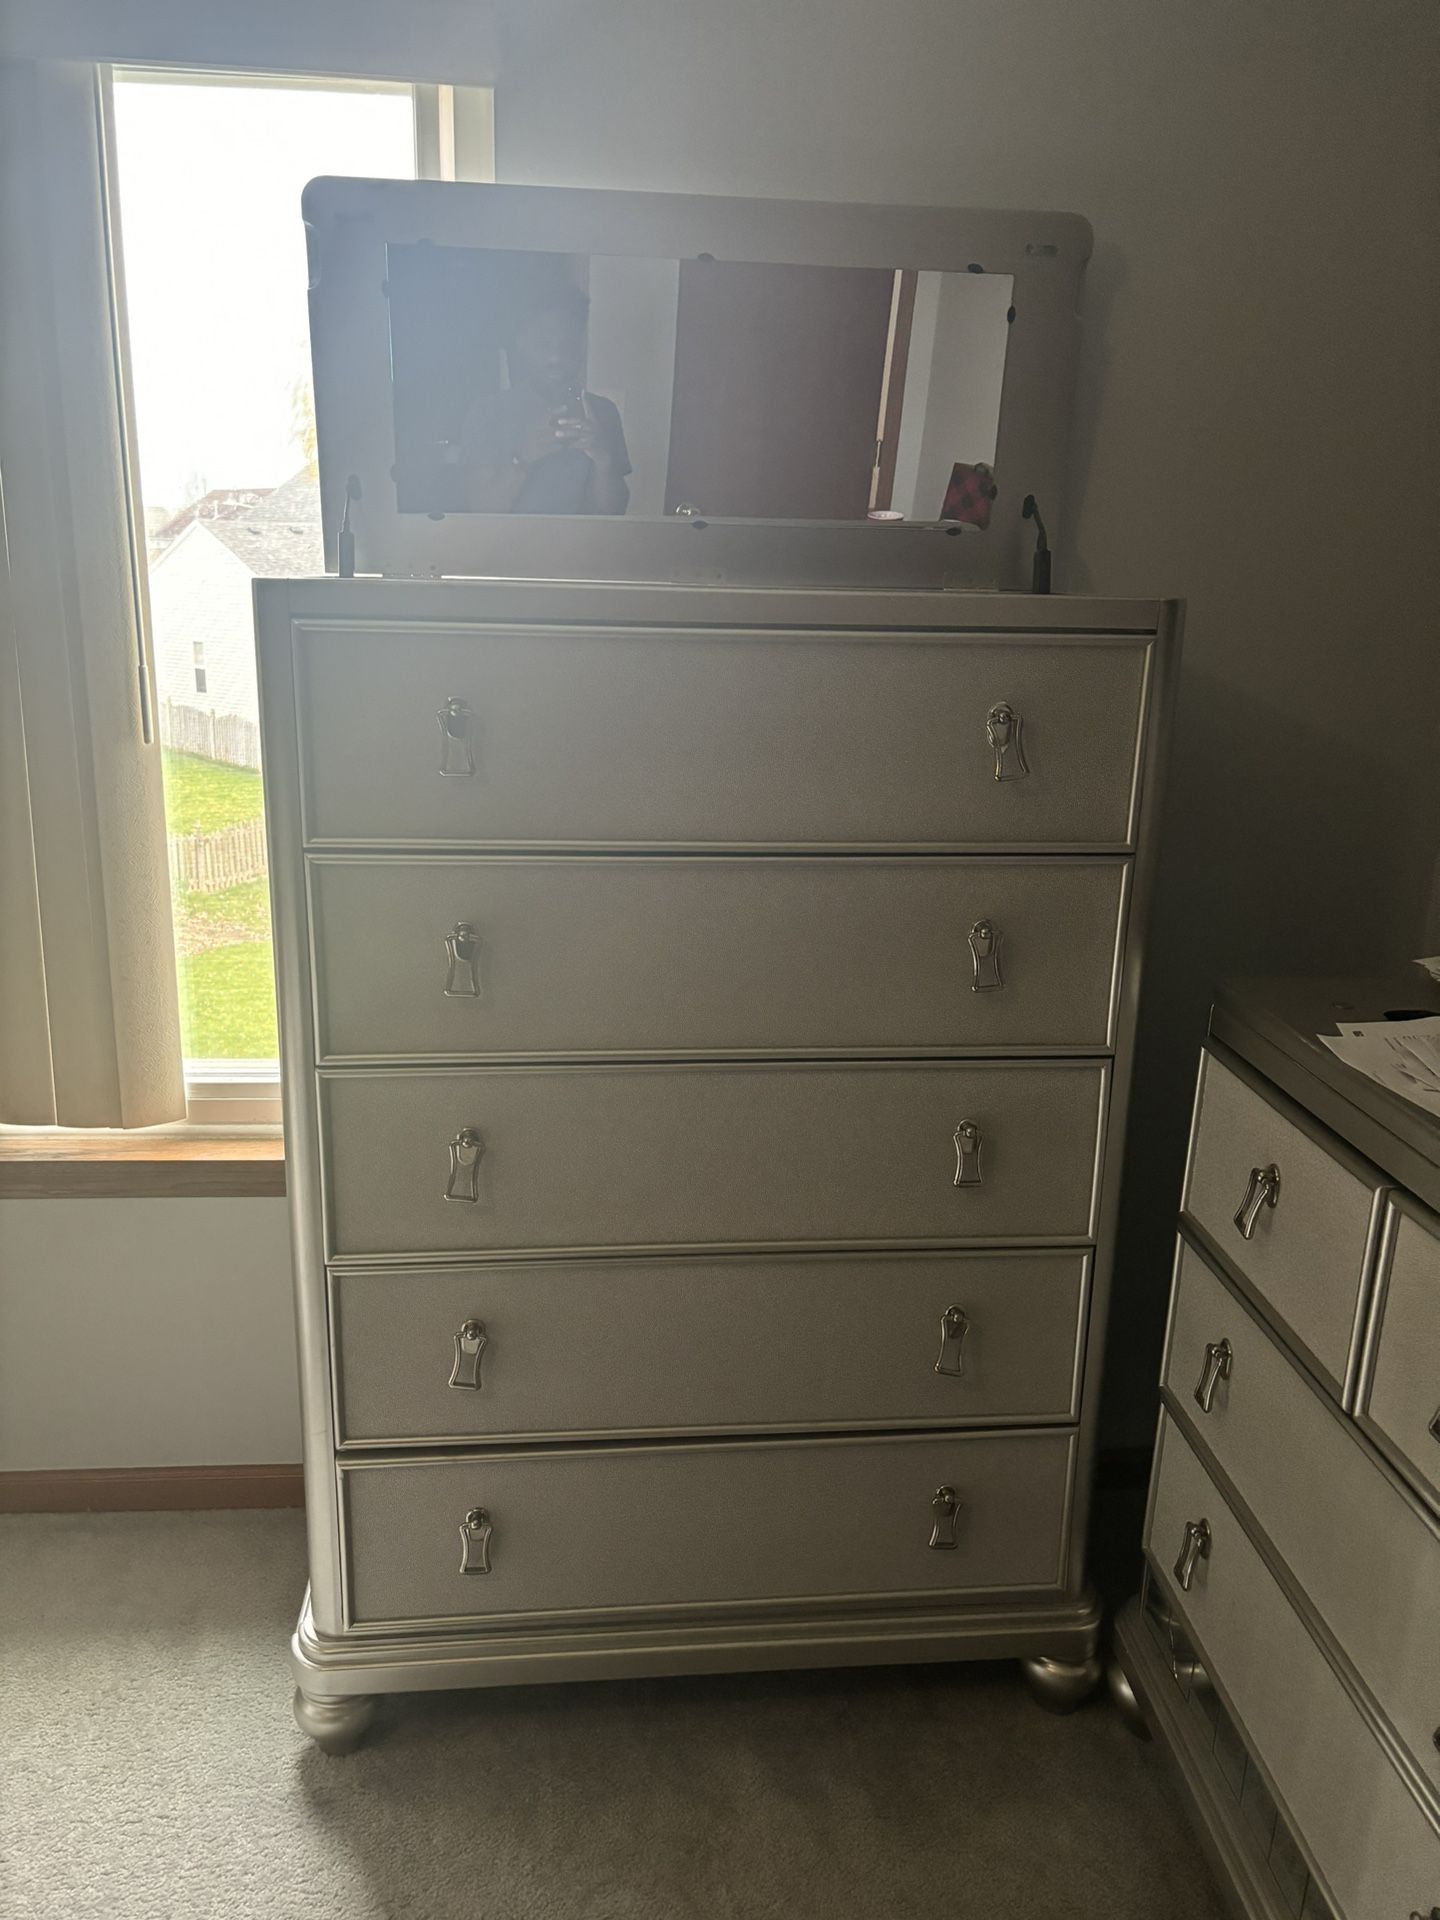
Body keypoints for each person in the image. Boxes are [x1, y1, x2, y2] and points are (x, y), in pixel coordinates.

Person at [459, 284, 630, 514]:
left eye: (568, 344)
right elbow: (480, 508)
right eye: (543, 343)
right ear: (521, 344)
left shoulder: (602, 412)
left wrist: (603, 459)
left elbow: (613, 514)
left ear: (580, 345)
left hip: (584, 548)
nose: (556, 356)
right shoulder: (487, 413)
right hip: (506, 548)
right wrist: (522, 458)